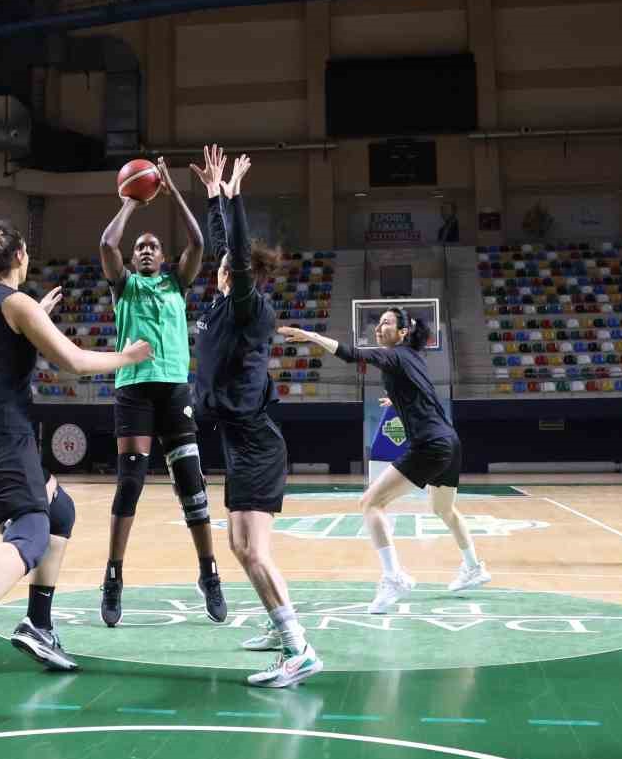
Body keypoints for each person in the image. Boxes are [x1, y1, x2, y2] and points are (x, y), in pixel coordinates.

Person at [0, 220, 153, 701]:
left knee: (59, 510)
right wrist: (129, 357)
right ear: (21, 256)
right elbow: (76, 362)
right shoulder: (15, 304)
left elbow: (2, 343)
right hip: (0, 438)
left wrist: (36, 315)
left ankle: (38, 626)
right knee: (30, 531)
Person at [188, 145, 321, 689]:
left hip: (257, 442)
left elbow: (236, 254)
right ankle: (279, 626)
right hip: (240, 442)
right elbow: (226, 250)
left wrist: (235, 199)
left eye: (229, 268)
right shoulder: (223, 304)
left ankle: (299, 650)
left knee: (253, 551)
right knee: (242, 547)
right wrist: (216, 196)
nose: (223, 267)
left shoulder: (248, 306)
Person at [279, 309, 489, 613]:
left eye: (387, 322)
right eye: (378, 322)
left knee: (371, 503)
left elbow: (350, 354)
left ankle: (394, 577)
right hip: (450, 441)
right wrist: (398, 399)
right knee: (443, 508)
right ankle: (474, 567)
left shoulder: (396, 356)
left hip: (430, 444)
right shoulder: (413, 357)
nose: (379, 327)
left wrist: (311, 336)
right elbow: (421, 390)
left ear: (403, 332)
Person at [98, 155, 225, 627]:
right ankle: (113, 576)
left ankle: (209, 573)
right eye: (141, 248)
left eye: (153, 246)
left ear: (163, 258)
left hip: (173, 391)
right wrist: (132, 200)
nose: (147, 250)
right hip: (133, 390)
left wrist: (170, 189)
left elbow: (198, 241)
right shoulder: (123, 286)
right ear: (134, 260)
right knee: (129, 484)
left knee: (191, 484)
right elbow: (107, 242)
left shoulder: (177, 283)